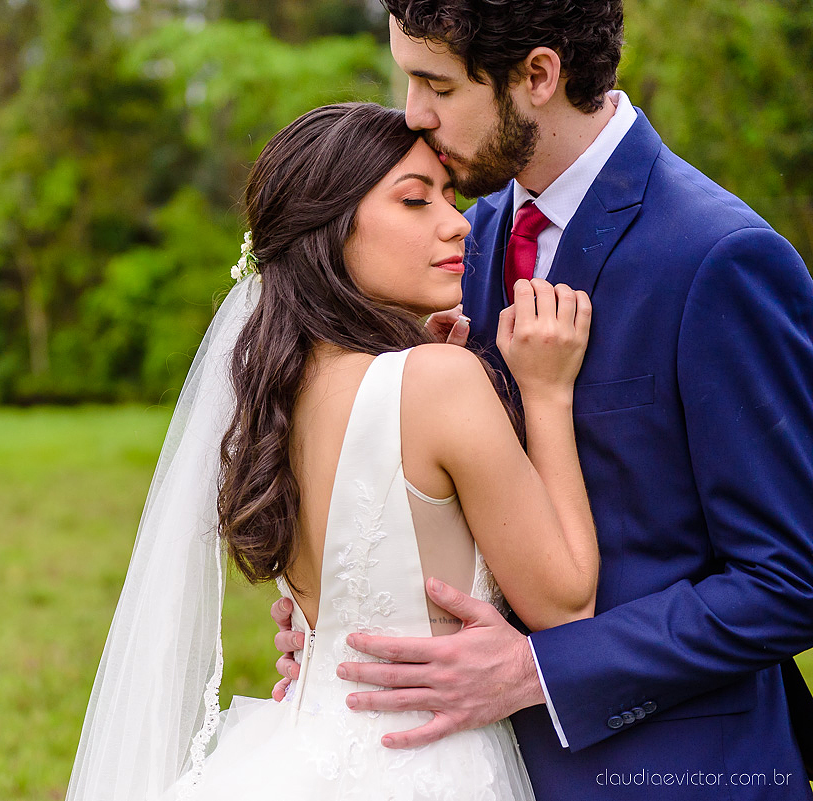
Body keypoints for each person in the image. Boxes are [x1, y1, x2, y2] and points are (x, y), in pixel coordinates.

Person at [270, 3, 813, 800]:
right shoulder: (464, 237)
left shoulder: (717, 258)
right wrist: (355, 619)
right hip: (462, 764)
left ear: (537, 75)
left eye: (436, 84)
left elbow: (791, 577)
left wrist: (539, 671)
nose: (412, 112)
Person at [67, 101, 600, 800]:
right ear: (329, 230)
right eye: (415, 200)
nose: (458, 222)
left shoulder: (271, 395)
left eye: (449, 196)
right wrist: (547, 392)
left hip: (295, 752)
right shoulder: (441, 381)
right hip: (425, 767)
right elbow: (565, 605)